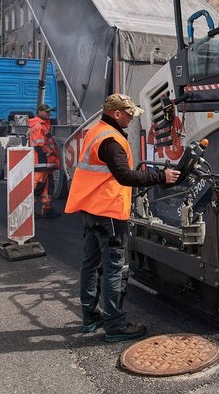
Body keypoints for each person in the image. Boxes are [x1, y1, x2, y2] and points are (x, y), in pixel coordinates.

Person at [64, 93, 180, 342]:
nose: (131, 118)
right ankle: (115, 325)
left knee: (91, 264)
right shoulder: (111, 140)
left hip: (91, 209)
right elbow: (125, 176)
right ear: (117, 113)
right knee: (115, 268)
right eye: (129, 114)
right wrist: (161, 177)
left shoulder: (96, 131)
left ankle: (89, 317)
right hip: (108, 213)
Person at [29, 103, 60, 218]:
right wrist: (50, 153)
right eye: (45, 112)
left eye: (49, 111)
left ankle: (47, 209)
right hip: (41, 162)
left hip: (45, 162)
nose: (48, 113)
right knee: (38, 186)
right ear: (39, 112)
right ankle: (28, 211)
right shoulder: (38, 126)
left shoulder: (43, 125)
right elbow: (39, 144)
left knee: (47, 187)